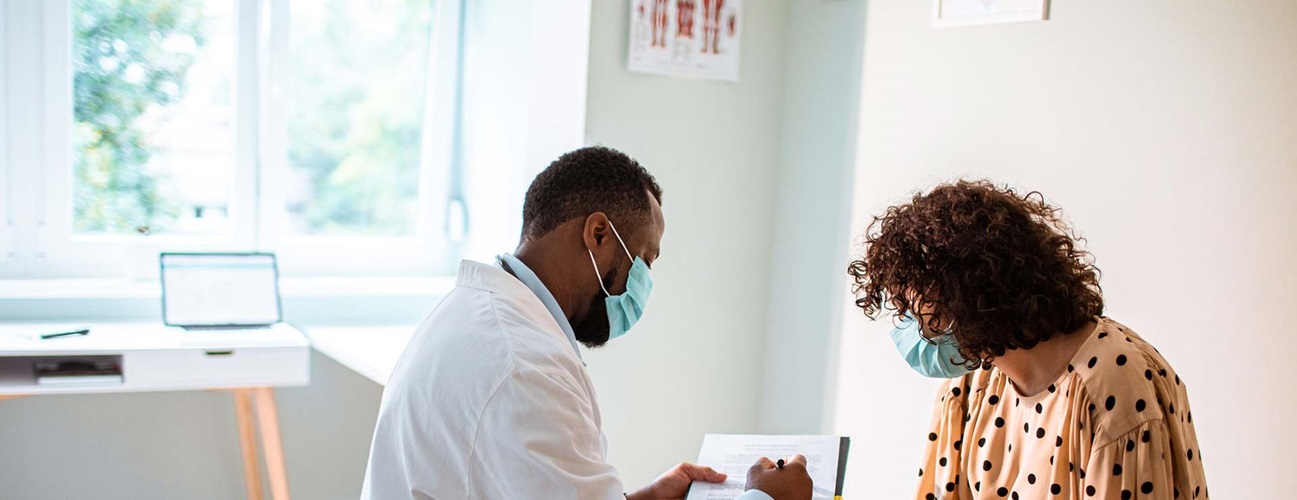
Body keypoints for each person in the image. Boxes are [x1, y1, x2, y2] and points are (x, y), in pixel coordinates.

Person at [361, 146, 811, 500]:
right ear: (598, 235)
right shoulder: (525, 369)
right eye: (643, 262)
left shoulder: (474, 314)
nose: (643, 284)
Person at [847, 180, 1209, 499]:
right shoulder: (969, 388)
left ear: (967, 296)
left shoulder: (1112, 387)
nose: (908, 325)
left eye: (911, 307)